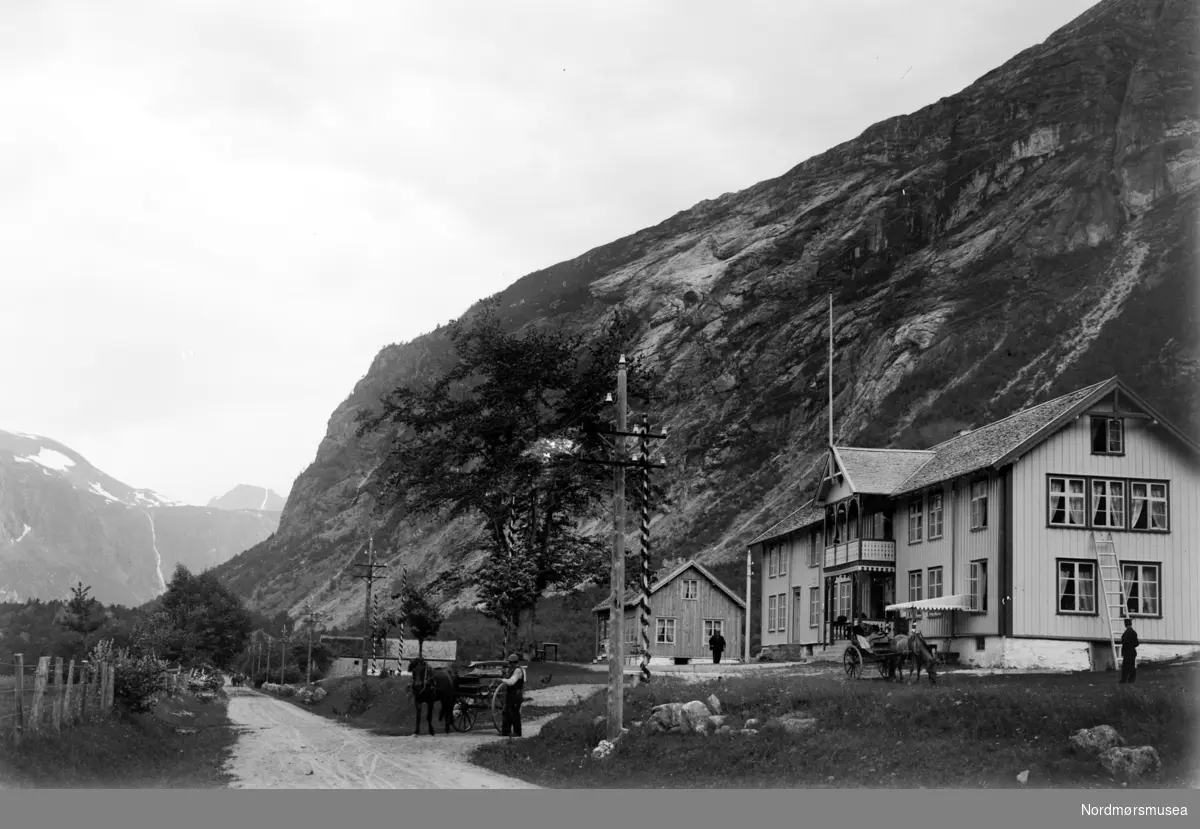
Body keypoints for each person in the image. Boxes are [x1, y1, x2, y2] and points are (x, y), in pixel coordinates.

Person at [497, 653, 527, 739]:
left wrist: (501, 680)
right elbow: (508, 678)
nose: (509, 664)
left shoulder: (518, 670)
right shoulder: (511, 670)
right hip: (510, 693)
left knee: (514, 713)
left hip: (516, 693)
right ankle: (506, 731)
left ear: (514, 663)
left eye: (510, 663)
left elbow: (511, 682)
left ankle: (517, 732)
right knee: (506, 711)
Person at [1119, 618, 1139, 685]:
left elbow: (1124, 642)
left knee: (1125, 667)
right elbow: (1137, 643)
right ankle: (1131, 679)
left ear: (1125, 624)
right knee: (1132, 666)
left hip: (1127, 652)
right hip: (1132, 651)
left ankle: (1124, 680)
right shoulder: (1134, 632)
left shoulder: (1126, 633)